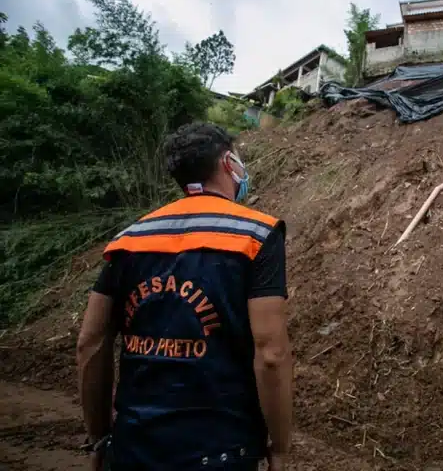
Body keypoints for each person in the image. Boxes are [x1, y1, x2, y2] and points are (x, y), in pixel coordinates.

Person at [76, 122, 293, 470]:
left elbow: (91, 343)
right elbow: (271, 353)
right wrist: (280, 446)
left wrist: (100, 437)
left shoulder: (129, 239)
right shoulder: (257, 235)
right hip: (222, 450)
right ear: (228, 163)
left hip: (134, 446)